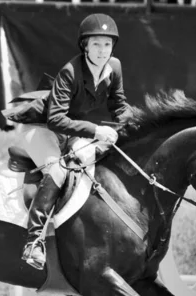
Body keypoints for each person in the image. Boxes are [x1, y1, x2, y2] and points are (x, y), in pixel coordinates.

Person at [18, 13, 132, 270]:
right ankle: (33, 241)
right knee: (58, 170)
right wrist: (96, 130)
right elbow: (56, 119)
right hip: (42, 127)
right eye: (96, 44)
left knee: (93, 160)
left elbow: (119, 105)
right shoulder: (70, 71)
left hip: (71, 130)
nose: (102, 51)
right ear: (85, 46)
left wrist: (136, 125)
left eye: (107, 44)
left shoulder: (114, 67)